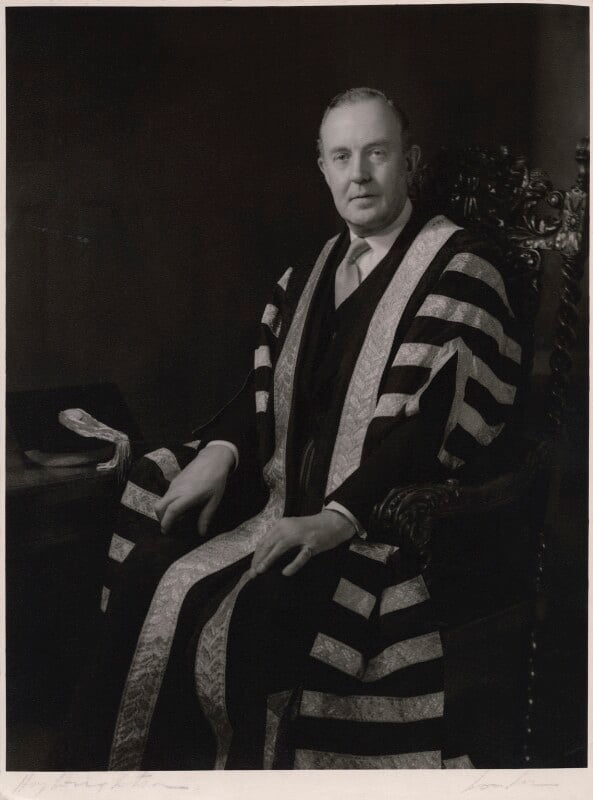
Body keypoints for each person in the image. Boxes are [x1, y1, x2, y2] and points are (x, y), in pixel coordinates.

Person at [57, 87, 522, 770]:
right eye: (342, 156)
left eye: (377, 153)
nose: (359, 174)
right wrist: (221, 451)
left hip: (370, 526)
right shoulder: (310, 271)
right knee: (150, 566)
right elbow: (261, 393)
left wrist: (337, 517)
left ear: (410, 161)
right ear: (322, 167)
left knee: (255, 613)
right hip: (278, 503)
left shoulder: (460, 270)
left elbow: (430, 431)